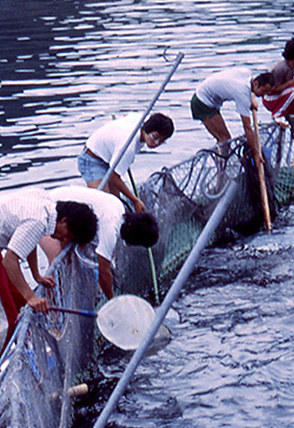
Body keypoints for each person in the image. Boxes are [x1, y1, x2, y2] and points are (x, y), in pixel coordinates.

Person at [0, 189, 98, 346]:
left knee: (18, 304)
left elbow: (27, 241)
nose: (65, 239)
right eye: (68, 235)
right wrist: (31, 297)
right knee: (10, 315)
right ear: (63, 220)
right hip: (4, 257)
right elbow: (10, 261)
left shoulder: (44, 203)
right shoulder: (38, 221)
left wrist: (36, 275)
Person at [42, 186, 159, 300]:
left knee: (68, 263)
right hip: (47, 213)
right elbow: (104, 271)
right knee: (58, 263)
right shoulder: (111, 229)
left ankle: (60, 301)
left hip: (59, 204)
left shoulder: (119, 208)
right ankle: (53, 313)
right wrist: (112, 301)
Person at [77, 113, 174, 213]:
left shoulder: (140, 119)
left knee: (116, 205)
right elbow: (113, 177)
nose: (156, 143)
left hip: (109, 159)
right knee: (104, 207)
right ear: (147, 128)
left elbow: (126, 115)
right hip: (91, 160)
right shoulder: (128, 146)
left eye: (161, 141)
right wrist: (135, 200)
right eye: (155, 137)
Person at [190, 68, 276, 153]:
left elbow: (248, 90)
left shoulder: (247, 73)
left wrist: (251, 100)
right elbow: (247, 128)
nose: (263, 95)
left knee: (224, 138)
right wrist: (257, 153)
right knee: (224, 139)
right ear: (256, 83)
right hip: (201, 101)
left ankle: (221, 163)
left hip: (211, 97)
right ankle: (221, 165)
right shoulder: (242, 94)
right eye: (263, 91)